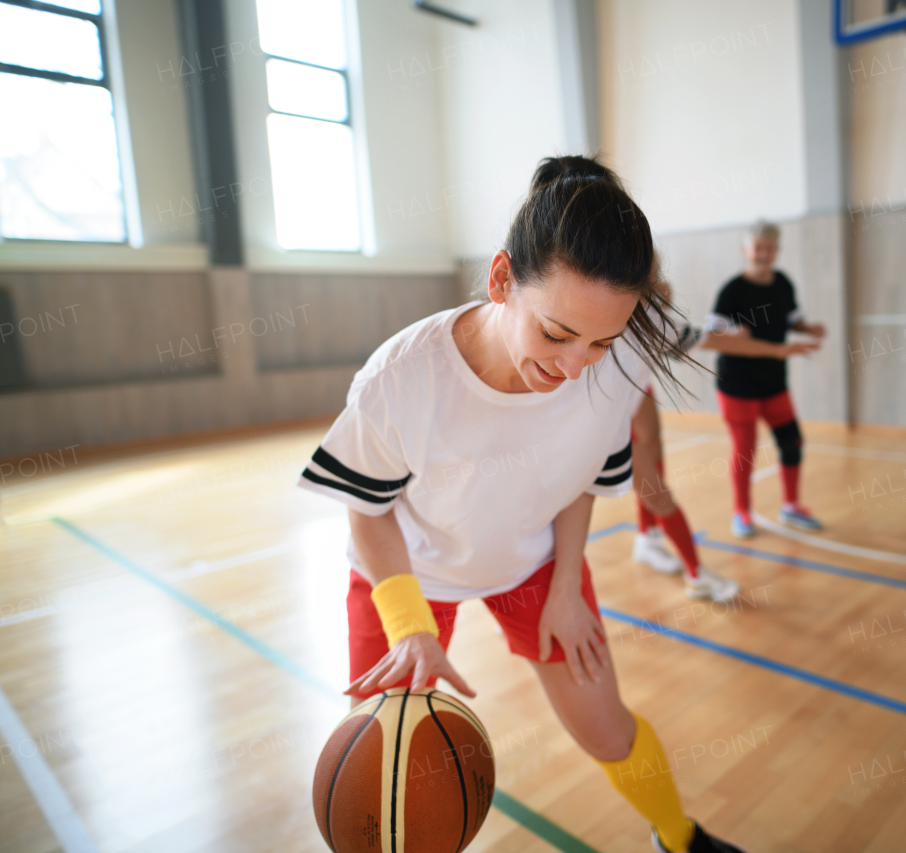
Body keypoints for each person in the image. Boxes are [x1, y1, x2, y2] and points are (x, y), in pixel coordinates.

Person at [298, 156, 747, 853]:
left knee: (607, 727)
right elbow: (367, 507)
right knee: (387, 771)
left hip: (534, 565)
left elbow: (581, 476)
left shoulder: (620, 363)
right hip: (407, 576)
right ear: (502, 278)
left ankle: (680, 837)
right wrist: (409, 624)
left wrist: (566, 587)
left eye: (600, 341)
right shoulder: (406, 375)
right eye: (558, 334)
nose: (574, 367)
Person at [702, 219, 826, 539]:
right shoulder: (732, 290)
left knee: (792, 441)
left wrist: (808, 329)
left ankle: (791, 505)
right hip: (737, 385)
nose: (763, 253)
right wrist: (732, 331)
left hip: (774, 382)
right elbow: (711, 332)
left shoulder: (783, 283)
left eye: (769, 248)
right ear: (746, 250)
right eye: (758, 247)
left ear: (776, 251)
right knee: (745, 450)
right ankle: (741, 511)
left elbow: (793, 319)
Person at [632, 387, 742, 603]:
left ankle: (647, 538)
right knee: (659, 496)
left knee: (652, 445)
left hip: (631, 376)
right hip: (601, 399)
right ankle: (696, 575)